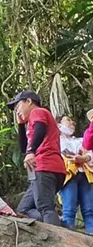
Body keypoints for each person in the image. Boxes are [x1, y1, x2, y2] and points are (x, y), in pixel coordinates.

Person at [8, 91, 65, 226]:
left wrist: (31, 151)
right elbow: (23, 148)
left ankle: (57, 240)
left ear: (29, 101)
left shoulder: (38, 112)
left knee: (45, 207)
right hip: (43, 169)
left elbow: (40, 129)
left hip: (45, 165)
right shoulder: (31, 122)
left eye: (18, 106)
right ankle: (59, 225)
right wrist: (21, 125)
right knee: (23, 210)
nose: (17, 111)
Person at [58, 116, 93, 235]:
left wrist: (84, 157)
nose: (72, 122)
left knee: (89, 210)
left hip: (84, 175)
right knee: (69, 209)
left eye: (73, 120)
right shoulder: (55, 140)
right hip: (68, 175)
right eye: (68, 120)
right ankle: (70, 240)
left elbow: (90, 152)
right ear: (58, 125)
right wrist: (83, 157)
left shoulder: (80, 140)